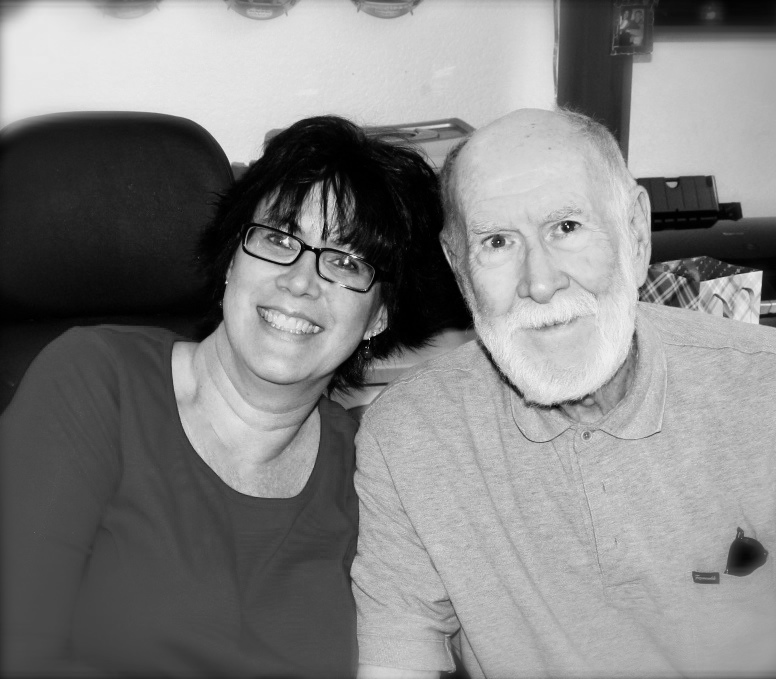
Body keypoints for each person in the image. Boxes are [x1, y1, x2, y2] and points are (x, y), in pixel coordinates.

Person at [351, 108, 776, 678]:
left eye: (567, 227)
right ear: (459, 269)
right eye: (497, 241)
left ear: (636, 232)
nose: (540, 282)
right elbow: (397, 661)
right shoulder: (408, 438)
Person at [0, 115, 446, 677]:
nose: (300, 281)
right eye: (278, 238)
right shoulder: (95, 381)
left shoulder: (374, 472)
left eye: (345, 261)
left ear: (379, 316)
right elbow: (16, 653)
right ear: (232, 258)